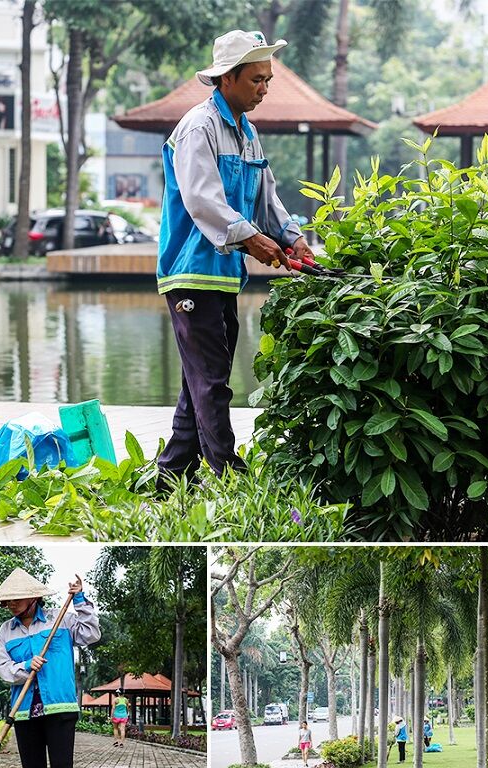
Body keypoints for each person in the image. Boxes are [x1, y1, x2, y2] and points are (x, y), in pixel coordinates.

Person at [156, 30, 315, 488]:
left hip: (224, 275)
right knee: (211, 381)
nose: (263, 88)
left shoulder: (247, 133)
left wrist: (291, 238)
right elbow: (202, 200)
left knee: (202, 378)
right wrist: (252, 241)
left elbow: (266, 197)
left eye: (268, 80)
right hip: (190, 273)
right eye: (256, 80)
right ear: (227, 79)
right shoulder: (198, 127)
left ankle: (172, 474)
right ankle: (229, 472)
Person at [0, 567, 101, 768]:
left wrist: (80, 600)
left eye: (17, 598)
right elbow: (3, 668)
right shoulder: (6, 631)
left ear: (33, 597)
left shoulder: (60, 619)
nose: (11, 604)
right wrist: (26, 666)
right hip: (24, 712)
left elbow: (91, 634)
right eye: (8, 599)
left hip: (60, 708)